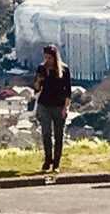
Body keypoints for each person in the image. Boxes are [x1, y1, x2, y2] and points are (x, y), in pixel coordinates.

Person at [33, 44, 71, 173]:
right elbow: (37, 89)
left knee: (59, 135)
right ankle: (48, 159)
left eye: (49, 57)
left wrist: (65, 108)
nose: (47, 60)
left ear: (55, 57)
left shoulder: (64, 70)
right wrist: (38, 82)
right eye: (45, 57)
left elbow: (68, 91)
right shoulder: (41, 68)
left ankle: (56, 163)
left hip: (59, 106)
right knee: (46, 133)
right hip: (44, 104)